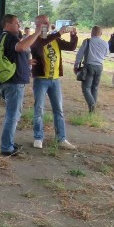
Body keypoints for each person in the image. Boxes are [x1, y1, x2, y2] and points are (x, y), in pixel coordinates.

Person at [30, 14, 78, 150]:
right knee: (39, 109)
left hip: (55, 79)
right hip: (41, 79)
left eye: (47, 22)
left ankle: (61, 138)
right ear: (37, 25)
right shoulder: (35, 39)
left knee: (59, 110)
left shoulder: (55, 39)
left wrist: (73, 35)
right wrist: (58, 33)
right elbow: (40, 44)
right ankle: (38, 137)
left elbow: (71, 47)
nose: (46, 24)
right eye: (43, 22)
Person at [0, 14, 39, 156]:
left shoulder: (4, 37)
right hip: (14, 83)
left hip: (10, 80)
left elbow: (11, 57)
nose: (19, 25)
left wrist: (25, 64)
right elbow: (21, 47)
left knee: (13, 114)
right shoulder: (9, 37)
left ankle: (8, 143)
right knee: (13, 115)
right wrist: (38, 32)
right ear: (8, 24)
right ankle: (7, 147)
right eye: (16, 23)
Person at [74, 26, 109, 112]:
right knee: (95, 87)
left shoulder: (87, 41)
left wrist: (76, 65)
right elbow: (106, 54)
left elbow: (80, 54)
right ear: (101, 33)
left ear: (92, 32)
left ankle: (92, 104)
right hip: (99, 66)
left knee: (86, 88)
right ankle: (92, 108)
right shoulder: (105, 43)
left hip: (89, 66)